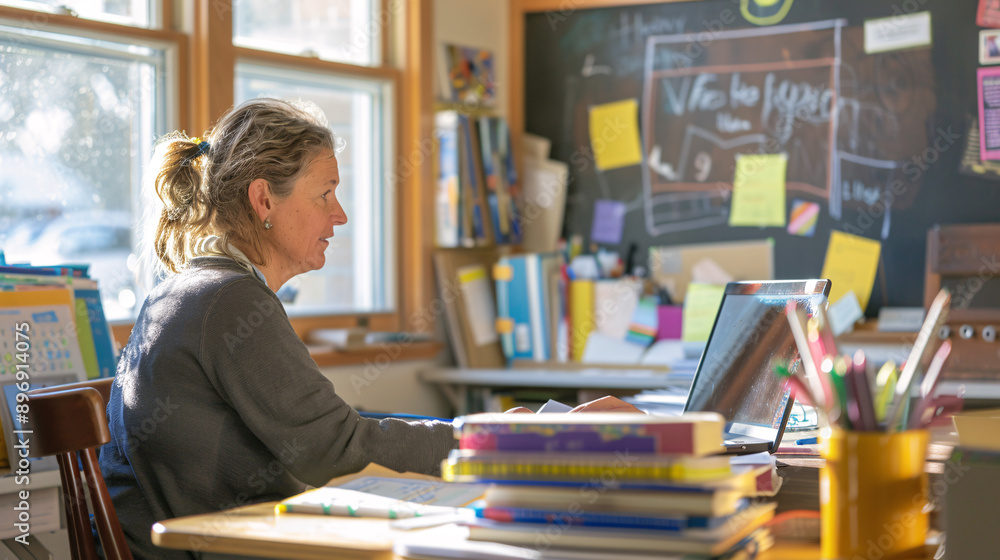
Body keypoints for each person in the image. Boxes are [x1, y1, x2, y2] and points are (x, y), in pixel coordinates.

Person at [101, 98, 638, 559]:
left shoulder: (193, 289)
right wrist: (513, 438)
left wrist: (498, 431)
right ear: (264, 199)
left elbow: (334, 431)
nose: (341, 216)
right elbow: (338, 448)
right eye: (325, 194)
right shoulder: (229, 301)